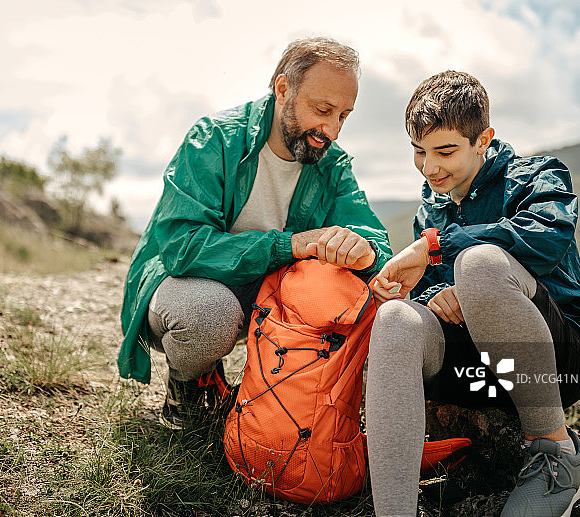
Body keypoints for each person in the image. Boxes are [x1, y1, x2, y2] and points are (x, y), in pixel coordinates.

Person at [366, 71, 580, 516]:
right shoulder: (431, 207)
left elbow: (544, 240)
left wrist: (437, 248)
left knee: (479, 264)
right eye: (419, 151)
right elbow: (433, 283)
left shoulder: (539, 176)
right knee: (395, 319)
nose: (429, 167)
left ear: (483, 139)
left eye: (445, 151)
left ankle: (557, 456)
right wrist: (435, 295)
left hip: (557, 363)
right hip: (481, 371)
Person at [118, 37, 391, 430]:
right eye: (322, 110)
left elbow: (373, 237)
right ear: (283, 89)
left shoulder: (332, 165)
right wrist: (288, 246)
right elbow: (182, 248)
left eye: (343, 116)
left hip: (268, 295)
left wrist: (365, 250)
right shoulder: (213, 138)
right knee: (209, 315)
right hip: (186, 287)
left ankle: (275, 403)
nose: (332, 130)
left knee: (361, 299)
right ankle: (188, 387)